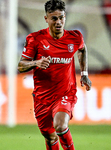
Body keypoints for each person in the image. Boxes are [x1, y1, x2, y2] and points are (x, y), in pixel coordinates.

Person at [18, 0, 92, 149]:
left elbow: (82, 50)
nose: (59, 22)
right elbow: (21, 66)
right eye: (54, 18)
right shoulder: (35, 39)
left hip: (66, 93)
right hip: (42, 99)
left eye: (61, 17)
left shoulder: (75, 37)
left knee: (60, 125)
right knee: (50, 138)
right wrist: (35, 63)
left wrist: (84, 73)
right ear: (46, 19)